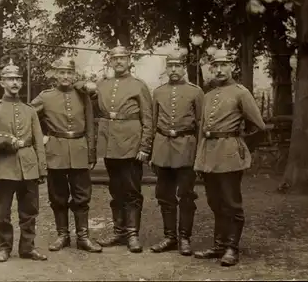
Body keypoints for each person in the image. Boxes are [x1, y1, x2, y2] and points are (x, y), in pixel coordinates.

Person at [193, 47, 266, 266]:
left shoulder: (241, 93)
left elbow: (260, 127)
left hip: (229, 155)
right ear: (210, 69)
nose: (219, 70)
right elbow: (202, 129)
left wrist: (241, 147)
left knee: (232, 203)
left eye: (223, 65)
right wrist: (199, 158)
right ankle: (219, 246)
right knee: (215, 202)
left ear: (232, 67)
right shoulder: (208, 96)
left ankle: (232, 249)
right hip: (209, 155)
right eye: (215, 66)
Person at [80, 44, 153, 253]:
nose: (119, 61)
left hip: (131, 144)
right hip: (110, 144)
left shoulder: (139, 85)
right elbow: (88, 98)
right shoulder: (102, 84)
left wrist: (145, 146)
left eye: (123, 58)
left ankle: (132, 234)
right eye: (115, 58)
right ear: (109, 61)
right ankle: (119, 231)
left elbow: (148, 118)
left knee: (131, 190)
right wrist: (87, 86)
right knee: (115, 190)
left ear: (129, 60)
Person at [0, 59, 48, 262]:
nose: (15, 83)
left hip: (29, 165)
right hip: (5, 167)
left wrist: (41, 169)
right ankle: (4, 247)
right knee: (3, 212)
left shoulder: (30, 110)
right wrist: (6, 140)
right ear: (2, 83)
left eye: (18, 79)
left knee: (30, 211)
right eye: (10, 79)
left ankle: (27, 248)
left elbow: (38, 142)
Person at [31, 56, 102, 253]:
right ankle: (62, 236)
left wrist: (91, 152)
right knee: (58, 196)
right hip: (56, 151)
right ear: (55, 75)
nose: (65, 76)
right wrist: (41, 137)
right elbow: (27, 115)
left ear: (74, 75)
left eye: (69, 73)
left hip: (79, 149)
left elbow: (89, 124)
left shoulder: (83, 95)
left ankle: (83, 237)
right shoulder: (45, 96)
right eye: (61, 72)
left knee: (82, 196)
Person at [149, 49, 204, 256]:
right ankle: (169, 237)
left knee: (186, 195)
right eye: (170, 66)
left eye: (177, 66)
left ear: (183, 68)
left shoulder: (195, 92)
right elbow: (154, 123)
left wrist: (200, 153)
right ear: (166, 68)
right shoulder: (159, 92)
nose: (173, 70)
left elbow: (200, 123)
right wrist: (153, 151)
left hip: (186, 147)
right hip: (163, 147)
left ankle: (184, 238)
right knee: (164, 194)